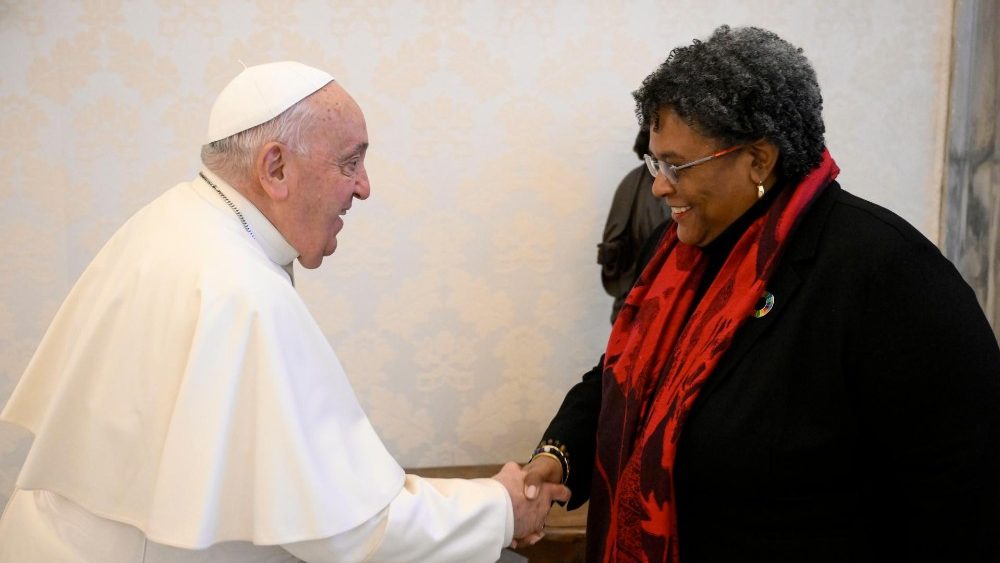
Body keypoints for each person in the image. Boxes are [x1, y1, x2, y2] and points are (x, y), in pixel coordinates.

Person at [0, 61, 568, 562]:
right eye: (351, 163)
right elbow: (350, 533)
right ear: (274, 168)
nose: (364, 188)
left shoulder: (171, 223)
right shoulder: (239, 290)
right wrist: (500, 509)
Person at [519, 26, 1000, 562]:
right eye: (656, 163)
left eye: (676, 166)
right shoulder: (674, 248)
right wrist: (556, 457)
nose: (658, 185)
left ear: (759, 159)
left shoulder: (887, 273)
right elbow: (618, 376)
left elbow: (961, 492)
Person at [597, 129, 671, 323]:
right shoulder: (632, 184)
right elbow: (617, 235)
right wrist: (612, 252)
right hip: (636, 286)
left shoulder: (679, 182)